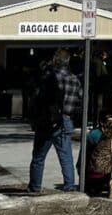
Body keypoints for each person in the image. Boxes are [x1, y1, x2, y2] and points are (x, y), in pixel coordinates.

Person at [29, 48, 81, 192]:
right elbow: (78, 103)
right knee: (66, 158)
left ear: (55, 60)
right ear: (68, 61)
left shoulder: (48, 76)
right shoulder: (74, 79)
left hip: (47, 119)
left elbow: (37, 97)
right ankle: (69, 186)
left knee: (39, 157)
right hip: (66, 119)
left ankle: (35, 187)